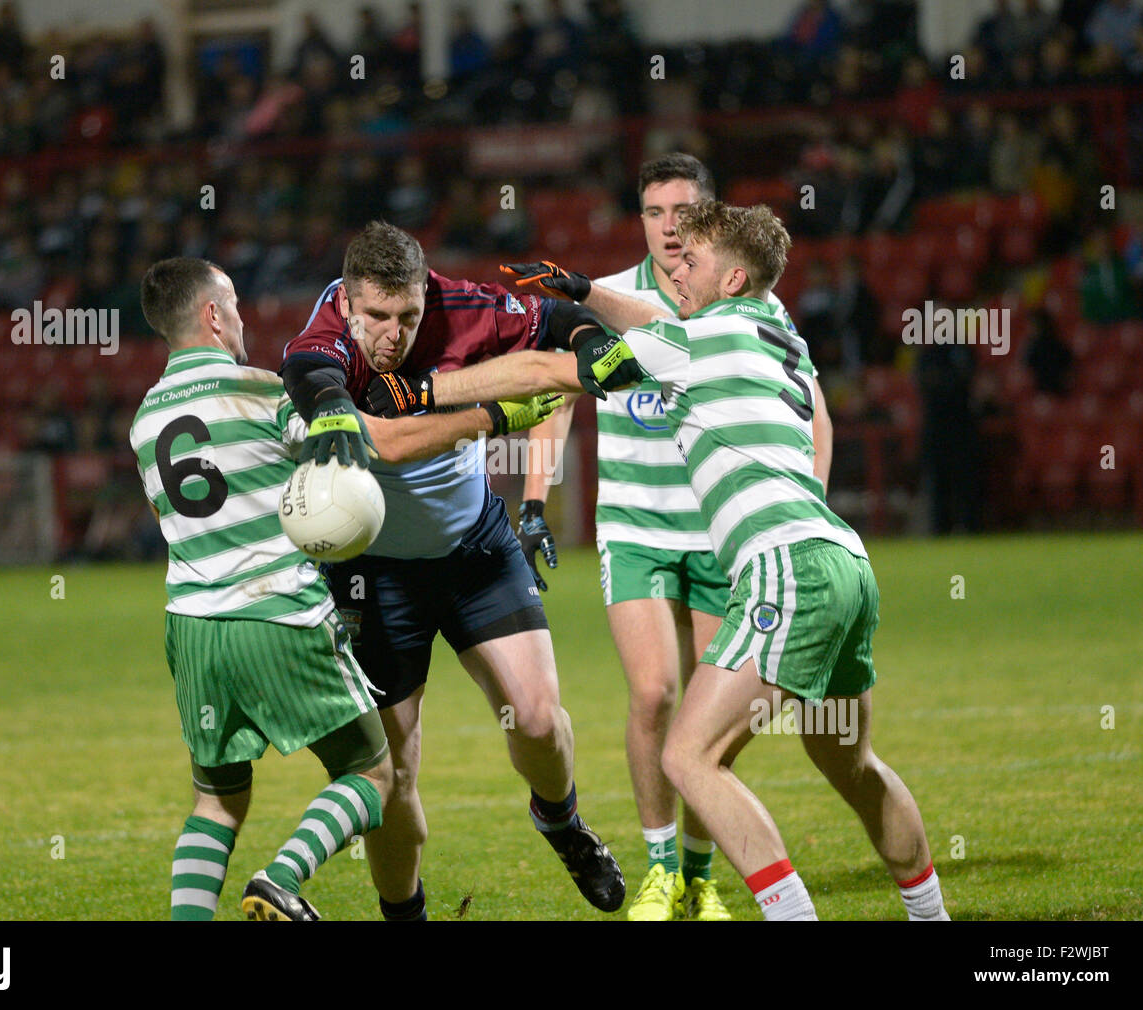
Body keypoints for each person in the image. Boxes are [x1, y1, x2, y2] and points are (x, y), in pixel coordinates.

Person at [503, 203, 949, 921]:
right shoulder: (777, 329)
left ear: (733, 274)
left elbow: (565, 368)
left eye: (692, 261)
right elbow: (652, 323)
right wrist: (584, 290)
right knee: (850, 761)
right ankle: (932, 916)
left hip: (786, 568)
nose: (675, 267)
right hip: (844, 561)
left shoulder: (693, 340)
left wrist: (478, 353)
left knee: (687, 756)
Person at [133, 256, 560, 921]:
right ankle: (282, 877)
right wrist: (491, 419)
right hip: (277, 612)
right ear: (213, 315)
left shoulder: (144, 421)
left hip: (189, 627)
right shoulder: (262, 392)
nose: (244, 317)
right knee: (373, 774)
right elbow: (378, 441)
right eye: (237, 303)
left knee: (216, 801)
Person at [503, 154, 832, 922]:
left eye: (683, 212)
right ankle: (657, 871)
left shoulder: (731, 300)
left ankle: (697, 874)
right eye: (654, 213)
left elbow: (812, 411)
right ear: (640, 219)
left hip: (723, 534)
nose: (669, 227)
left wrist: (805, 502)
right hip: (637, 525)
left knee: (708, 727)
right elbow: (559, 391)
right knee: (653, 695)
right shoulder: (615, 293)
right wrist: (535, 500)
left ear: (709, 218)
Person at [279, 221, 635, 921]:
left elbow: (557, 317)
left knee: (537, 720)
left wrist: (591, 340)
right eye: (377, 316)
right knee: (392, 773)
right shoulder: (326, 331)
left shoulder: (461, 305)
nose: (394, 334)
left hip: (474, 548)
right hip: (373, 577)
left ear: (426, 294)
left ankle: (561, 823)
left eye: (408, 315)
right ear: (349, 303)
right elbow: (311, 372)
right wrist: (332, 410)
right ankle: (404, 915)